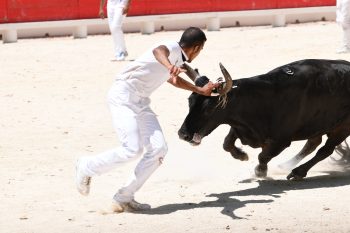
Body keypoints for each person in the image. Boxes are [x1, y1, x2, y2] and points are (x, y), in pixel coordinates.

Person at [75, 27, 219, 212]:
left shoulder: (179, 59)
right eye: (201, 50)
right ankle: (87, 166)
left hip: (141, 102)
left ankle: (124, 198)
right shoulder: (171, 48)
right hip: (123, 96)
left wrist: (200, 89)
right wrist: (169, 66)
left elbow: (174, 80)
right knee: (132, 149)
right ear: (197, 47)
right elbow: (158, 51)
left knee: (159, 149)